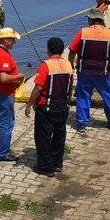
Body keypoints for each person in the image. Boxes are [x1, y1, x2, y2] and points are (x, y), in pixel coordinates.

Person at [24, 37, 74, 176]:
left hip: (46, 108)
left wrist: (29, 105)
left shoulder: (45, 65)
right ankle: (57, 163)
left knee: (43, 137)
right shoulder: (68, 65)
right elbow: (70, 87)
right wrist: (68, 101)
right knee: (59, 136)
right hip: (62, 107)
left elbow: (38, 88)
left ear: (48, 50)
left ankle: (46, 167)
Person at [68, 8, 110, 132]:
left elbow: (71, 50)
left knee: (83, 97)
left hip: (85, 72)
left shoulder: (82, 32)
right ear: (102, 20)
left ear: (91, 20)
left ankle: (82, 123)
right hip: (103, 72)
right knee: (108, 96)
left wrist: (71, 64)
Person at [0, 27, 25, 162]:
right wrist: (19, 76)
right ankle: (3, 153)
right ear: (5, 40)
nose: (14, 42)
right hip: (3, 92)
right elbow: (3, 78)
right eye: (12, 40)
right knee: (7, 122)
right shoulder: (3, 55)